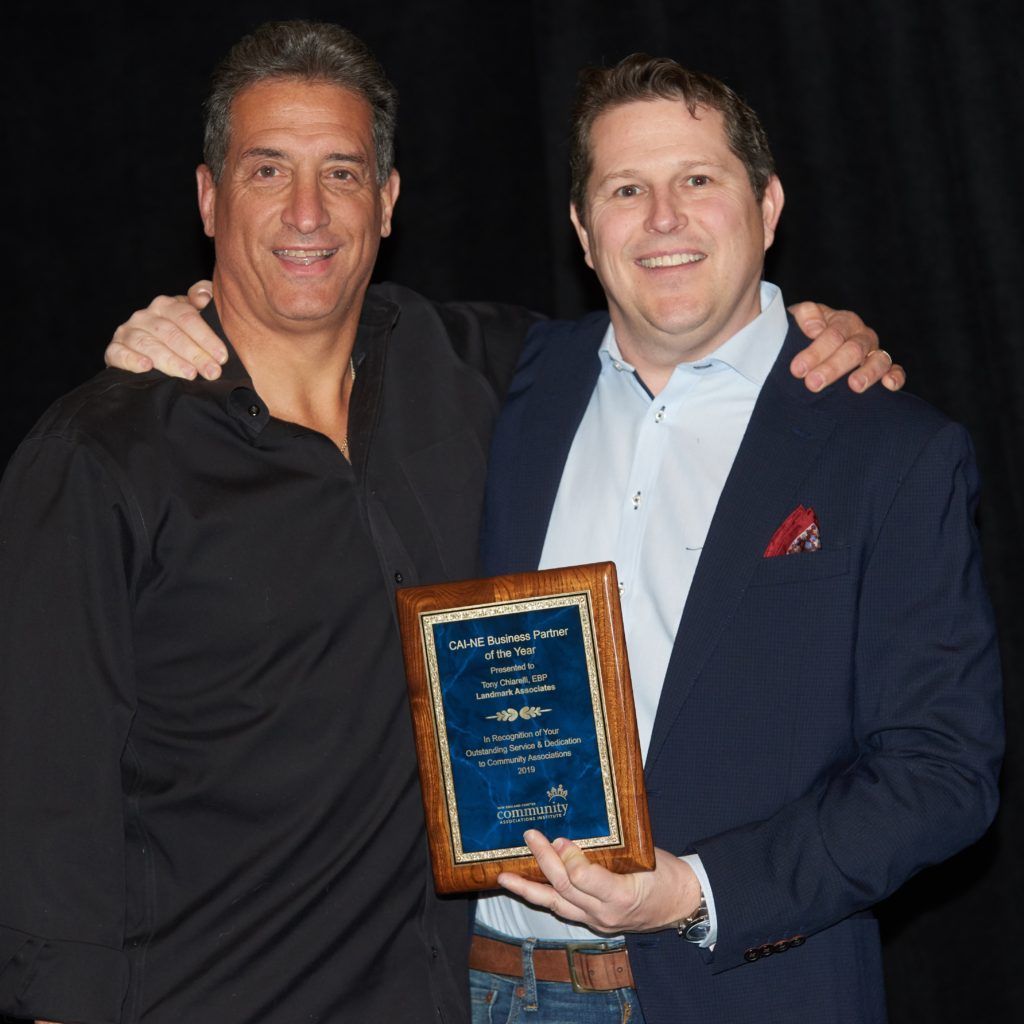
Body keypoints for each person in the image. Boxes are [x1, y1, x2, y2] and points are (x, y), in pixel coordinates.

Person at [4, 21, 895, 1024]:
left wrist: (810, 337)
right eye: (266, 171)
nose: (306, 210)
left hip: (443, 994)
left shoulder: (487, 371)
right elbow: (47, 807)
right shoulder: (101, 455)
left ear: (386, 203)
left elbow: (677, 316)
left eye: (341, 172)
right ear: (209, 198)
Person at [471, 55, 1003, 1024]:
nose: (663, 218)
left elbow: (941, 769)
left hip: (739, 991)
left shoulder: (886, 445)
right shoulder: (501, 387)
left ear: (765, 206)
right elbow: (312, 316)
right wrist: (178, 325)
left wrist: (695, 892)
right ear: (584, 232)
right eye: (625, 188)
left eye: (697, 180)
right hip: (478, 983)